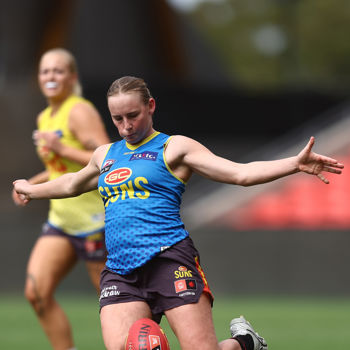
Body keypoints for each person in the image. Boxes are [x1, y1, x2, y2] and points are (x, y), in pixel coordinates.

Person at [13, 76, 344, 350]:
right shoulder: (106, 154)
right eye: (118, 119)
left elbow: (239, 174)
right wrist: (31, 188)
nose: (126, 126)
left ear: (151, 106)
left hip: (170, 261)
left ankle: (245, 342)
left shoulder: (175, 148)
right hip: (120, 270)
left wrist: (294, 164)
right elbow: (72, 183)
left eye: (133, 115)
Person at [11, 48, 110, 350]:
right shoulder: (45, 116)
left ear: (72, 77)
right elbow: (58, 168)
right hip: (61, 221)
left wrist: (63, 148)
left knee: (113, 304)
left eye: (58, 71)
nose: (50, 76)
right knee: (36, 293)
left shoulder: (79, 110)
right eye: (45, 71)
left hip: (95, 222)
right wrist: (32, 184)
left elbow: (108, 158)